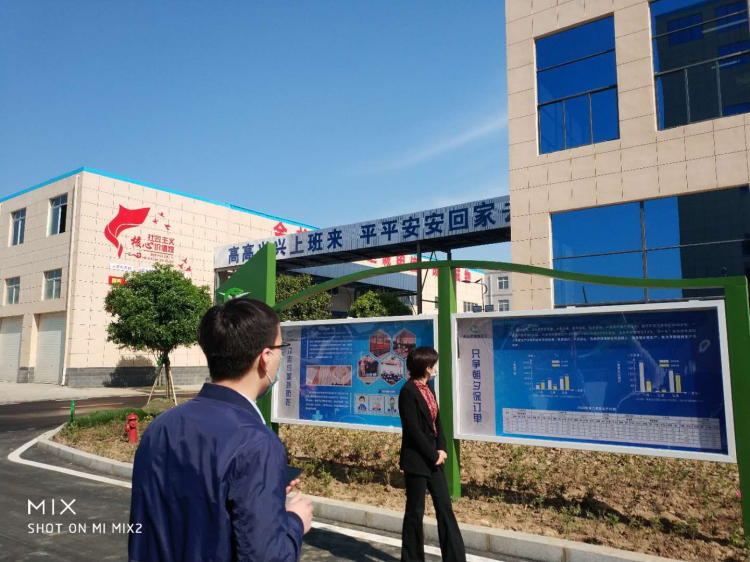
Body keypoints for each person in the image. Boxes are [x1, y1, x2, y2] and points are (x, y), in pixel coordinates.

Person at [129, 298, 313, 562]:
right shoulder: (257, 443)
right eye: (280, 348)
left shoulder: (160, 426)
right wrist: (294, 521)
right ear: (266, 357)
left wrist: (264, 493)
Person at [399, 347, 466, 562]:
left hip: (435, 460)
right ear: (427, 368)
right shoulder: (408, 391)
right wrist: (433, 454)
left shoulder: (429, 390)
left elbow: (437, 422)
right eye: (433, 364)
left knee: (445, 508)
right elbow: (413, 430)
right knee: (415, 512)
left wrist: (442, 448)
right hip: (417, 460)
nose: (435, 367)